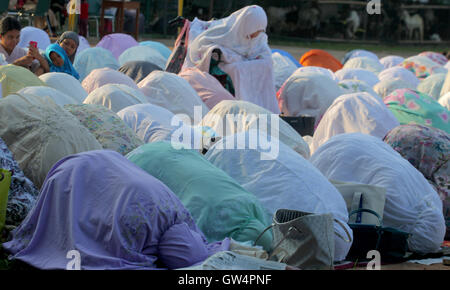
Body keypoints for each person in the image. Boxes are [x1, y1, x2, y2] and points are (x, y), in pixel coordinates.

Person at [182, 5, 280, 113]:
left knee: (265, 68)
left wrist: (248, 65)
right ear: (245, 26)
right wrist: (243, 64)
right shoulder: (226, 33)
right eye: (251, 34)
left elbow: (266, 58)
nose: (254, 38)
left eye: (258, 33)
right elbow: (202, 47)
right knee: (235, 70)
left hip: (242, 66)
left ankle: (264, 109)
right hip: (225, 69)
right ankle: (244, 110)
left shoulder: (260, 38)